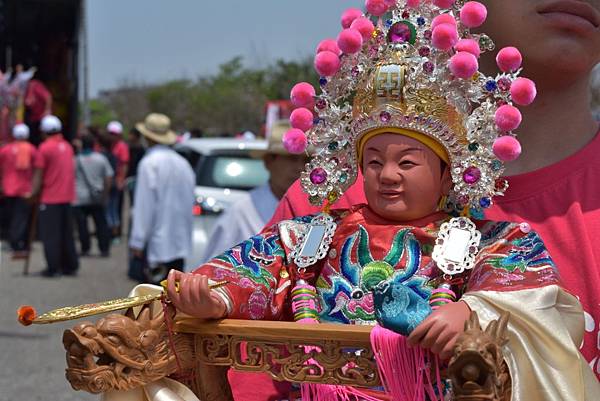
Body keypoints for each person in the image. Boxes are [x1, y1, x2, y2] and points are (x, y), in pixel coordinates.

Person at [164, 2, 598, 400]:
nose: (388, 175)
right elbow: (256, 266)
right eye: (373, 161)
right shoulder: (314, 233)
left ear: (447, 174)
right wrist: (218, 294)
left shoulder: (487, 240)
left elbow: (527, 290)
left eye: (407, 162)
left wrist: (472, 310)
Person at [200, 120, 308, 262]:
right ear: (269, 161)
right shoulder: (240, 213)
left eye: (307, 160)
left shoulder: (316, 212)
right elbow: (213, 271)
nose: (300, 167)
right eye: (292, 159)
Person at [128, 113, 195, 284]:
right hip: (180, 244)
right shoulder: (183, 163)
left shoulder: (149, 163)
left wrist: (137, 241)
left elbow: (145, 206)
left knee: (153, 302)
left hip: (157, 245)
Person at [30, 115, 78, 277]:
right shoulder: (67, 146)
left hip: (50, 198)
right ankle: (70, 265)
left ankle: (54, 267)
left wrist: (32, 192)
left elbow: (38, 173)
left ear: (44, 131)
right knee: (66, 234)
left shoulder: (44, 148)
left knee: (51, 235)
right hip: (67, 196)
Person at [73, 134, 114, 257]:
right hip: (97, 196)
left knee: (82, 226)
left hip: (79, 197)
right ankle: (104, 248)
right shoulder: (101, 159)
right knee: (101, 224)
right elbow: (108, 178)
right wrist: (105, 195)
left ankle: (85, 248)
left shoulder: (75, 160)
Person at [0, 123, 37, 258]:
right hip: (25, 190)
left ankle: (14, 241)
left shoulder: (5, 150)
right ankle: (17, 243)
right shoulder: (32, 149)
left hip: (8, 189)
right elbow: (37, 168)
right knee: (21, 218)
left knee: (12, 217)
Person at [104, 120, 129, 241]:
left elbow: (124, 165)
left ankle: (115, 233)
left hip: (116, 181)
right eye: (111, 133)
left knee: (114, 208)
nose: (113, 136)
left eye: (115, 134)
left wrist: (121, 180)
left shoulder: (122, 146)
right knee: (108, 207)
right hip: (107, 180)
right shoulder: (108, 146)